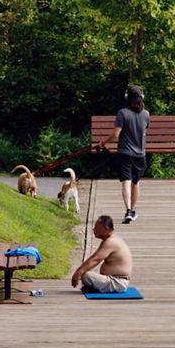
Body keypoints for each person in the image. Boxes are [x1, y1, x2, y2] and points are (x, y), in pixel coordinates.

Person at [100, 84, 149, 224]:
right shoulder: (146, 114)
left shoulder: (122, 113)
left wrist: (104, 142)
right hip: (140, 155)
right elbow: (144, 132)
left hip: (124, 153)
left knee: (126, 182)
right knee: (136, 182)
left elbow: (116, 135)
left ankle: (128, 210)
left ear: (127, 98)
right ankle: (133, 210)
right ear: (141, 98)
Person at [70, 214, 133, 293]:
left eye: (96, 228)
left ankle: (96, 288)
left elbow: (95, 259)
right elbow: (94, 257)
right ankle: (96, 287)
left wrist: (79, 272)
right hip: (113, 280)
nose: (93, 229)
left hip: (117, 282)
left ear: (106, 229)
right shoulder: (109, 240)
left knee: (86, 276)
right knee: (86, 274)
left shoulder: (111, 242)